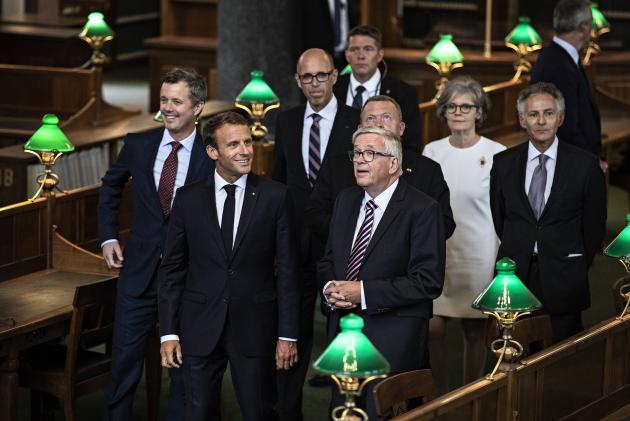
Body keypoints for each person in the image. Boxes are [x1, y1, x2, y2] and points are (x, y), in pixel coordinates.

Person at [158, 111, 300, 421]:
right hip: (198, 326)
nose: (245, 150)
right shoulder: (187, 199)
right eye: (233, 144)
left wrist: (287, 335)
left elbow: (289, 271)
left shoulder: (275, 197)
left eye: (247, 142)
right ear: (212, 152)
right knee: (197, 413)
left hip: (255, 327)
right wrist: (168, 332)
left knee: (260, 413)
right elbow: (172, 269)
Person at [98, 68, 212, 421]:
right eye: (164, 100)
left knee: (183, 371)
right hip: (138, 276)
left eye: (177, 101)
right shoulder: (138, 144)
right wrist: (109, 236)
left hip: (188, 280)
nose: (168, 108)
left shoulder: (211, 154)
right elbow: (110, 186)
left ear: (198, 107)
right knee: (124, 366)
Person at [319, 126, 445, 418]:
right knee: (343, 411)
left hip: (393, 335)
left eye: (369, 153)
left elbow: (427, 282)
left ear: (393, 164)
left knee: (380, 413)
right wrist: (329, 289)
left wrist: (361, 292)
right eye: (356, 153)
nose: (359, 160)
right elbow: (328, 260)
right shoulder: (345, 200)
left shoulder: (423, 209)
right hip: (343, 332)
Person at [272, 48, 359, 420]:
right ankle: (288, 412)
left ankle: (344, 411)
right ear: (297, 80)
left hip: (342, 245)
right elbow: (279, 182)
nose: (314, 84)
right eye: (306, 77)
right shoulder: (287, 121)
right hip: (294, 244)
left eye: (321, 75)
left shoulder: (355, 121)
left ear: (335, 76)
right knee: (293, 330)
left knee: (343, 333)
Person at [490, 82, 606, 343]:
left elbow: (594, 226)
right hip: (516, 275)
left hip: (565, 274)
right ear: (522, 119)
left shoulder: (585, 165)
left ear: (561, 118)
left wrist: (572, 260)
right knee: (516, 353)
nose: (541, 121)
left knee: (561, 359)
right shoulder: (503, 163)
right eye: (533, 114)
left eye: (549, 113)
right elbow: (501, 218)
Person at [422, 76, 506, 393]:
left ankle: (471, 395)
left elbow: (503, 211)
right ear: (443, 111)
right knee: (433, 330)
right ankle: (440, 396)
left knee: (474, 332)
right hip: (440, 253)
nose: (458, 111)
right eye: (452, 106)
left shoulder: (498, 153)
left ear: (479, 111)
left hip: (480, 254)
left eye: (466, 106)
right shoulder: (432, 151)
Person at [306, 95, 455, 247]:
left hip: (404, 265)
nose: (378, 124)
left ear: (401, 128)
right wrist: (352, 233)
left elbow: (445, 223)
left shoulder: (427, 170)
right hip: (345, 258)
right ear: (359, 128)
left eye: (386, 118)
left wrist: (393, 238)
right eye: (370, 118)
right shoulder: (336, 167)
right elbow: (315, 215)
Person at [531, 0, 604, 171]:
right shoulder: (558, 65)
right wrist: (590, 161)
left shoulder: (557, 56)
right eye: (591, 23)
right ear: (584, 27)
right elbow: (566, 125)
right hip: (569, 165)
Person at [333, 25, 423, 151]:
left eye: (368, 49)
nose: (361, 56)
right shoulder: (333, 89)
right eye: (354, 50)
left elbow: (412, 145)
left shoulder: (403, 93)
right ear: (347, 55)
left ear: (380, 55)